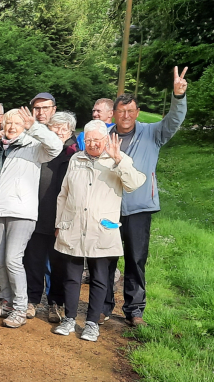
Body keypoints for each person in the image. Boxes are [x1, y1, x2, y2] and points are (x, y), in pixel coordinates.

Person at [106, 67, 188, 327]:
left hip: (139, 208)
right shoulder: (105, 136)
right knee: (105, 258)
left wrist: (178, 96)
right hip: (107, 207)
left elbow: (174, 120)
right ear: (114, 113)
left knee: (136, 259)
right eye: (121, 111)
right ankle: (102, 306)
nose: (126, 115)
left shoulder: (152, 133)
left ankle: (134, 310)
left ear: (137, 112)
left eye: (131, 111)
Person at [53, 120, 145, 341]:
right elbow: (63, 194)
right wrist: (59, 223)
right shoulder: (76, 159)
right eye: (89, 139)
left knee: (100, 278)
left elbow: (134, 184)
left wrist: (118, 159)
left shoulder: (118, 160)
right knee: (72, 277)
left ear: (106, 140)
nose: (93, 144)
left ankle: (92, 323)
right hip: (73, 226)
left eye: (97, 140)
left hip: (102, 229)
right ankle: (69, 319)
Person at [0, 107, 62, 328]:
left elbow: (56, 146)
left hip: (21, 213)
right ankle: (5, 302)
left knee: (13, 260)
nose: (12, 127)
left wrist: (34, 127)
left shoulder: (33, 147)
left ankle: (20, 307)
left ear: (24, 126)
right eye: (8, 123)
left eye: (17, 123)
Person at [23, 111, 79, 324]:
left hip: (62, 219)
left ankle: (55, 302)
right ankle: (32, 299)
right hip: (36, 214)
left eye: (64, 129)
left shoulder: (75, 154)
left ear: (70, 132)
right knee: (33, 260)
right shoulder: (38, 150)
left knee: (59, 264)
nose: (59, 132)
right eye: (55, 128)